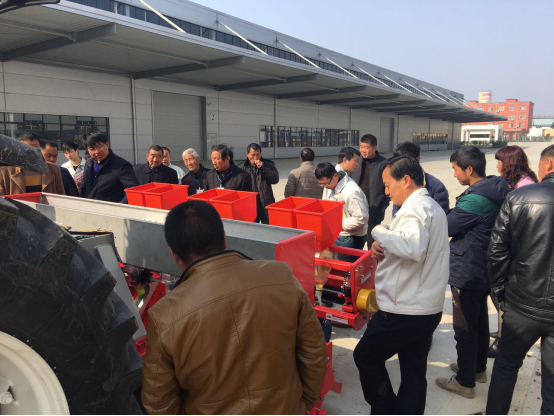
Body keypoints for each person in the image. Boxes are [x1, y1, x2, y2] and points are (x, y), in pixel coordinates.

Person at [142, 200, 328, 415]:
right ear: (224, 238)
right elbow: (314, 354)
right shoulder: (281, 276)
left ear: (173, 254)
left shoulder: (164, 316)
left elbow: (159, 404)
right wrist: (304, 403)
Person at [354, 156, 449, 415]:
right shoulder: (432, 207)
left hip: (403, 311)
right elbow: (412, 243)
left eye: (388, 185)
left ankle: (384, 408)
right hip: (426, 307)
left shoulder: (414, 209)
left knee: (365, 356)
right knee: (413, 370)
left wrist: (378, 231)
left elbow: (412, 247)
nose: (386, 192)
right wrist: (385, 241)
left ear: (406, 180)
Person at [436, 146, 510, 400]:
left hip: (467, 269)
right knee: (478, 322)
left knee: (464, 328)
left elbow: (446, 226)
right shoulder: (496, 188)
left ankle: (465, 382)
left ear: (469, 169)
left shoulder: (475, 199)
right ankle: (477, 369)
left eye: (456, 169)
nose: (454, 174)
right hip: (484, 267)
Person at [486, 144, 554, 415]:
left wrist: (501, 295)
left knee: (505, 367)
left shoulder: (520, 197)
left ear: (548, 164)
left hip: (522, 303)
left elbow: (496, 253)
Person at [488, 145, 539, 357]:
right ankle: (502, 332)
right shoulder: (516, 183)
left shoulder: (524, 187)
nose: (497, 166)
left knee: (505, 299)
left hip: (517, 252)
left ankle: (503, 340)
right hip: (512, 248)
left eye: (500, 161)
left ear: (509, 163)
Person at [316, 162, 368, 261]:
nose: (324, 187)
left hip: (350, 237)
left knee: (344, 266)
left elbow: (361, 218)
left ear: (335, 176)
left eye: (326, 183)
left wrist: (336, 224)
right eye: (321, 184)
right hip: (337, 233)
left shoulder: (351, 192)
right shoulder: (330, 184)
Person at [392, 142, 450, 216]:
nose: (400, 166)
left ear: (417, 159)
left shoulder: (436, 187)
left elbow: (441, 218)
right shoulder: (398, 183)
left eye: (404, 162)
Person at [0, 131, 65, 196]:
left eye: (36, 147)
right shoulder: (5, 171)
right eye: (27, 147)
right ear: (17, 148)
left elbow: (61, 195)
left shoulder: (53, 169)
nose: (32, 151)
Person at [351, 134, 389, 247]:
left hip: (374, 207)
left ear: (374, 147)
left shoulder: (383, 163)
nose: (363, 150)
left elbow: (389, 185)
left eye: (366, 147)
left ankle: (372, 258)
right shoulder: (357, 161)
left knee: (372, 239)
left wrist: (383, 204)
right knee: (356, 236)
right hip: (357, 205)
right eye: (361, 146)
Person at [81, 132, 139, 203]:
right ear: (87, 150)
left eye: (99, 146)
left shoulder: (122, 165)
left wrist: (118, 206)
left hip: (111, 208)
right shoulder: (89, 163)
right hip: (89, 206)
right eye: (92, 149)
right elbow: (84, 187)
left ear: (107, 144)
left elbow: (132, 189)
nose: (97, 151)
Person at [238, 143, 280, 224]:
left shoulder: (268, 165)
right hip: (250, 205)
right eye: (253, 155)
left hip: (266, 202)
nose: (255, 157)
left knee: (268, 227)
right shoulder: (241, 168)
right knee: (252, 227)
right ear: (247, 154)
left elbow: (275, 179)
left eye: (258, 154)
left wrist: (263, 168)